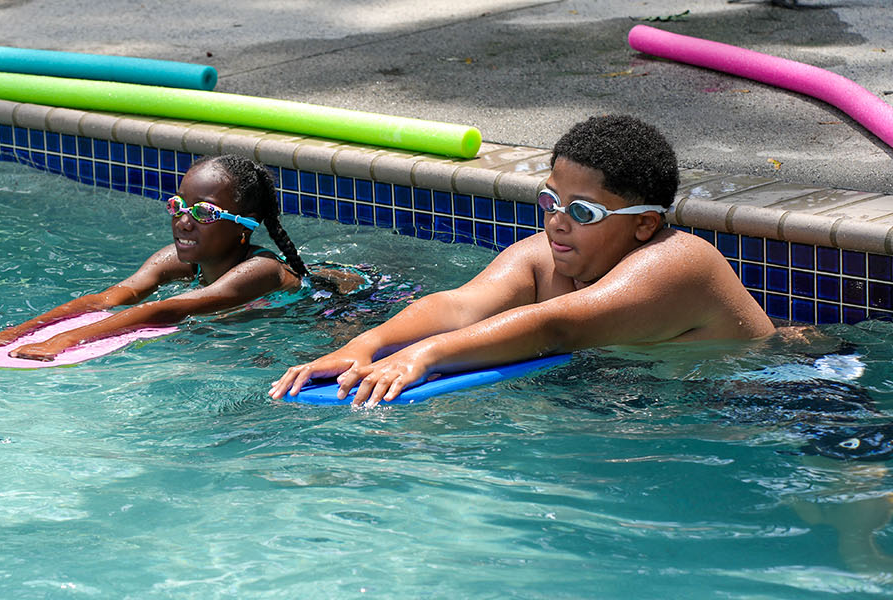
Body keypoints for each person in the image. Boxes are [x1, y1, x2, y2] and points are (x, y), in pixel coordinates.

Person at [269, 114, 776, 406]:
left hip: (783, 402)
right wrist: (368, 344)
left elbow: (555, 327)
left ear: (644, 223)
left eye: (582, 211)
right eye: (550, 201)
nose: (557, 221)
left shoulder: (679, 262)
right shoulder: (544, 260)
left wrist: (422, 355)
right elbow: (462, 305)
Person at [0, 154, 316, 361]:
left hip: (343, 304)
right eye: (178, 206)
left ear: (244, 227)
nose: (184, 221)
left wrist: (67, 340)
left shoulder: (261, 270)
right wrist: (16, 332)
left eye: (205, 213)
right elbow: (106, 299)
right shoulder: (179, 259)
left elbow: (168, 309)